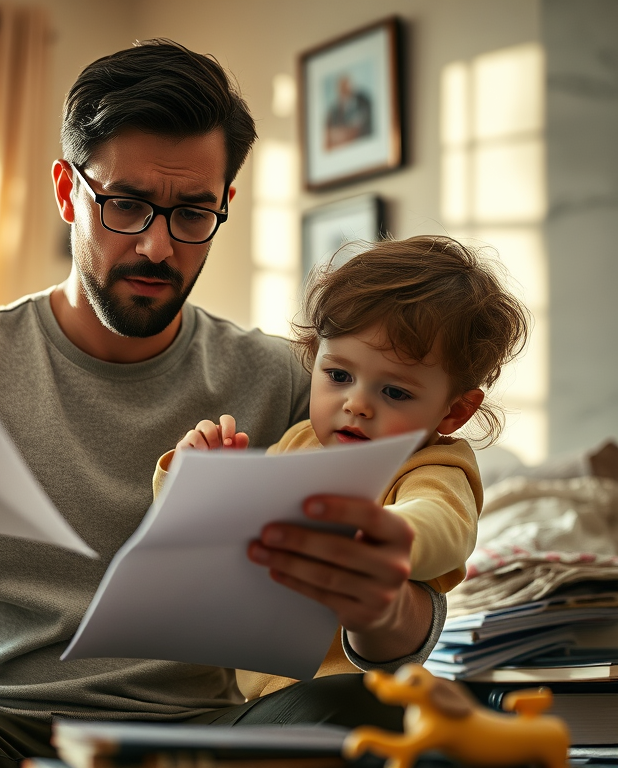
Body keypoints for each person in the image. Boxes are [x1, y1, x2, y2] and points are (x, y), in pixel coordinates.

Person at [0, 40, 449, 768]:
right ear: (68, 190)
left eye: (193, 212)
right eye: (126, 205)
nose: (159, 248)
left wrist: (384, 609)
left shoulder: (286, 378)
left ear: (225, 203)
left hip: (195, 738)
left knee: (373, 711)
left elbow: (386, 638)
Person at [152, 236, 530, 697]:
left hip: (357, 699)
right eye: (339, 376)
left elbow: (443, 524)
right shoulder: (299, 443)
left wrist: (379, 531)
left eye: (395, 392)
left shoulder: (430, 466)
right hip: (258, 704)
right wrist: (199, 480)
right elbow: (222, 541)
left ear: (453, 412)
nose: (356, 404)